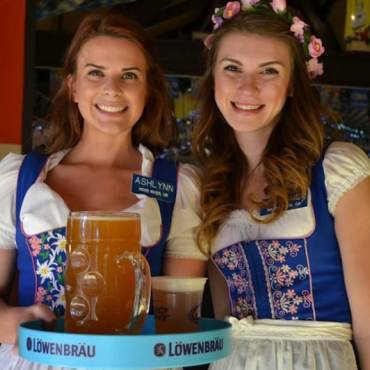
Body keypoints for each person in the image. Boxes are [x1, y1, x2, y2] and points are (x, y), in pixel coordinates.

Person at [0, 12, 206, 370]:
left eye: (129, 76)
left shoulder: (176, 187)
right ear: (73, 87)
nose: (112, 89)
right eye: (96, 73)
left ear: (148, 91)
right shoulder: (20, 178)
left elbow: (179, 323)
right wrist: (7, 323)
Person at [192, 1, 370, 369]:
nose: (247, 86)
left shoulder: (335, 171)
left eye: (269, 71)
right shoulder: (210, 185)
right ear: (214, 79)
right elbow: (223, 316)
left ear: (292, 86)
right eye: (232, 68)